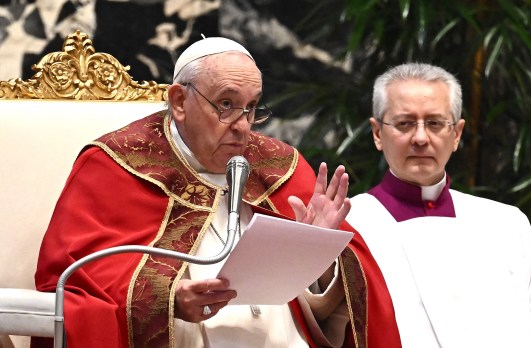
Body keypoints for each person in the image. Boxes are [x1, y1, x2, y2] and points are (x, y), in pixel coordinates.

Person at [33, 37, 383, 348]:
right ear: (180, 101)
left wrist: (318, 254)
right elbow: (75, 278)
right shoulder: (116, 163)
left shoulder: (279, 165)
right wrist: (166, 300)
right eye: (226, 105)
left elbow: (351, 296)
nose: (243, 126)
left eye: (252, 107)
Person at [345, 62, 531, 348]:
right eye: (404, 123)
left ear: (456, 134)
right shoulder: (350, 225)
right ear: (378, 133)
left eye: (435, 123)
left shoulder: (507, 224)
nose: (420, 138)